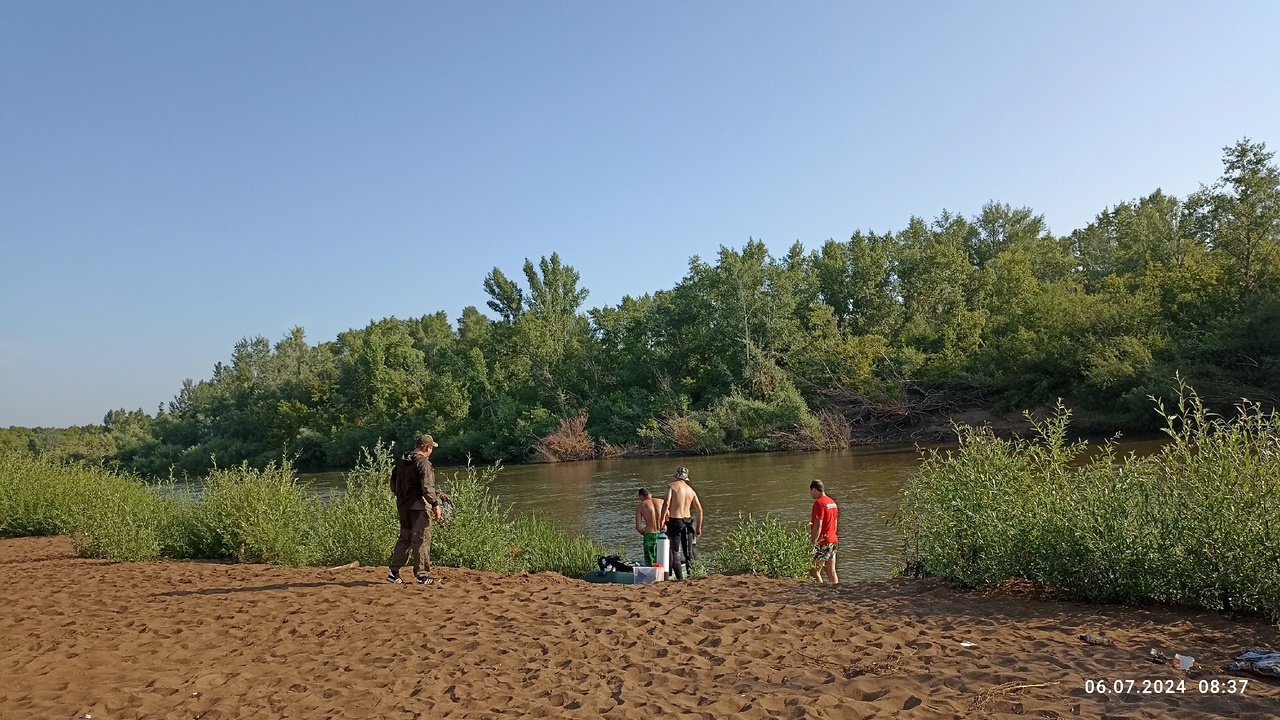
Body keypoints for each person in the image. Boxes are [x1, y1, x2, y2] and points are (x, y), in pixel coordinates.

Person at [388, 434, 444, 585]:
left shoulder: (401, 462)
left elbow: (393, 485)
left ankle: (393, 573)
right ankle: (422, 576)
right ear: (426, 447)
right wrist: (435, 505)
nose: (432, 450)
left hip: (403, 506)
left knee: (405, 538)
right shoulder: (423, 463)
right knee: (421, 540)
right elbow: (427, 487)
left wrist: (402, 497)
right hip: (419, 507)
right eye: (431, 448)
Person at [661, 466, 702, 580]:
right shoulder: (691, 490)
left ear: (676, 476)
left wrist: (662, 520)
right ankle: (692, 575)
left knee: (674, 551)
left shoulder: (672, 487)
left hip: (675, 521)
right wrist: (698, 528)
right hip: (688, 522)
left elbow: (666, 504)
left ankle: (679, 578)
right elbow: (700, 510)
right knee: (688, 552)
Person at [809, 479, 839, 584]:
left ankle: (821, 591)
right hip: (833, 540)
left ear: (814, 490)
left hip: (823, 542)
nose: (811, 494)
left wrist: (813, 543)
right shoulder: (832, 502)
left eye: (811, 491)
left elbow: (818, 525)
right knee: (831, 571)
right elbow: (835, 523)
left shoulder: (819, 503)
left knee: (814, 571)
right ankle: (837, 591)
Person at [635, 488, 663, 566]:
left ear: (641, 497)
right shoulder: (662, 502)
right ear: (650, 494)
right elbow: (668, 518)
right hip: (662, 534)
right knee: (662, 557)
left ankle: (651, 576)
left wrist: (645, 534)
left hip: (649, 534)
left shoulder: (641, 506)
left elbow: (638, 527)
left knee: (650, 561)